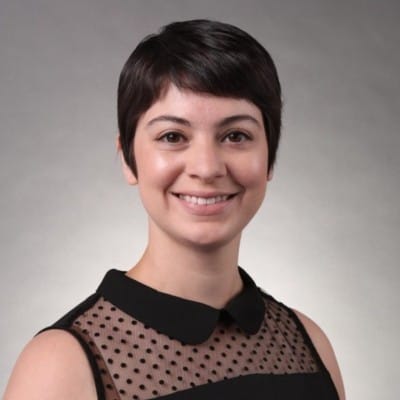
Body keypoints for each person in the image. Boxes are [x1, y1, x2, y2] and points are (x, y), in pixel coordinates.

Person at [3, 19, 345, 400]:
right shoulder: (61, 366)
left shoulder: (308, 344)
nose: (207, 167)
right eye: (172, 137)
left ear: (270, 159)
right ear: (128, 160)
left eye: (236, 136)